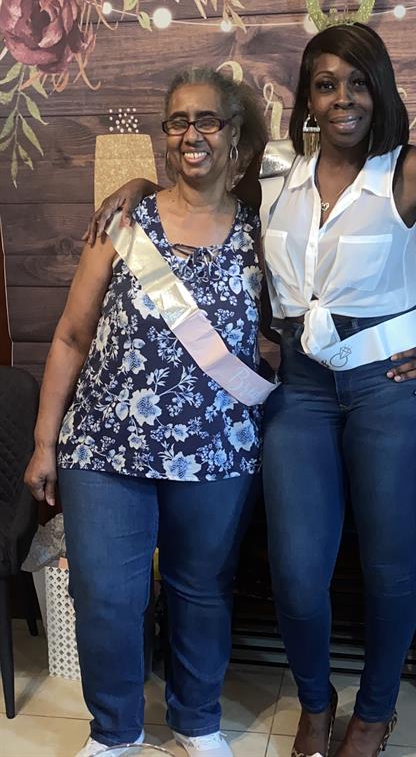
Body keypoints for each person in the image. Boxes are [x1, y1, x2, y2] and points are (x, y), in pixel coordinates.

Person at [85, 24, 416, 757]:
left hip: (394, 389)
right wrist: (142, 187)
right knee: (298, 571)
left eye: (356, 82)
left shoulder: (407, 171)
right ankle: (315, 703)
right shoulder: (272, 168)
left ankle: (374, 713)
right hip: (299, 389)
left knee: (388, 563)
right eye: (325, 83)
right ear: (307, 96)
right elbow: (191, 183)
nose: (341, 98)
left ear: (379, 90)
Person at [24, 67, 271, 757]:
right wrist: (46, 444)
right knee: (105, 596)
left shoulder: (264, 234)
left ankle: (197, 721)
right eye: (176, 121)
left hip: (216, 449)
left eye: (208, 121)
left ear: (237, 141)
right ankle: (115, 734)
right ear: (164, 138)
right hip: (104, 449)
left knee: (200, 591)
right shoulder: (121, 223)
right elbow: (71, 336)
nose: (190, 134)